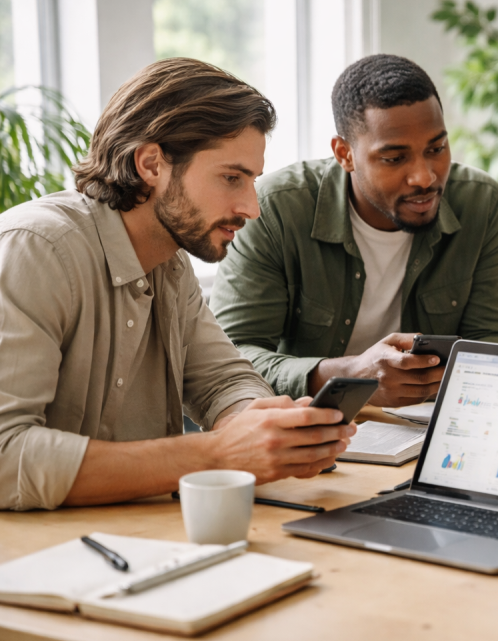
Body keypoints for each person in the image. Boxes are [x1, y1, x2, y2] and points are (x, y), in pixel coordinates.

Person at [0, 58, 356, 511]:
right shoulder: (34, 249)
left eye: (251, 181)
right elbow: (4, 456)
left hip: (145, 537)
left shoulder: (169, 263)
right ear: (151, 164)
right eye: (232, 178)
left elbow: (221, 379)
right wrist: (216, 453)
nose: (252, 207)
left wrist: (265, 427)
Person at [211, 54, 498, 409]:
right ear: (344, 154)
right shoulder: (276, 208)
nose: (425, 176)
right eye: (394, 158)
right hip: (313, 428)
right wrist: (349, 375)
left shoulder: (479, 202)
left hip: (426, 428)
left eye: (436, 148)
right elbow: (229, 359)